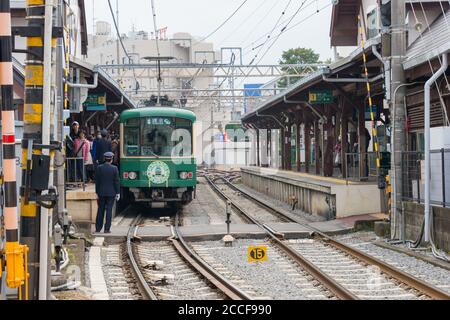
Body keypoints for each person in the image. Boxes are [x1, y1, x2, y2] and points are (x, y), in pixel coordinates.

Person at [95, 152, 120, 233]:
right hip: (111, 193)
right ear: (111, 159)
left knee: (100, 210)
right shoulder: (114, 168)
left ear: (104, 159)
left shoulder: (99, 168)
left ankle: (98, 228)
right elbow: (116, 181)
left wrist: (97, 192)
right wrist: (118, 192)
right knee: (109, 210)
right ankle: (107, 229)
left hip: (101, 192)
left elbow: (97, 181)